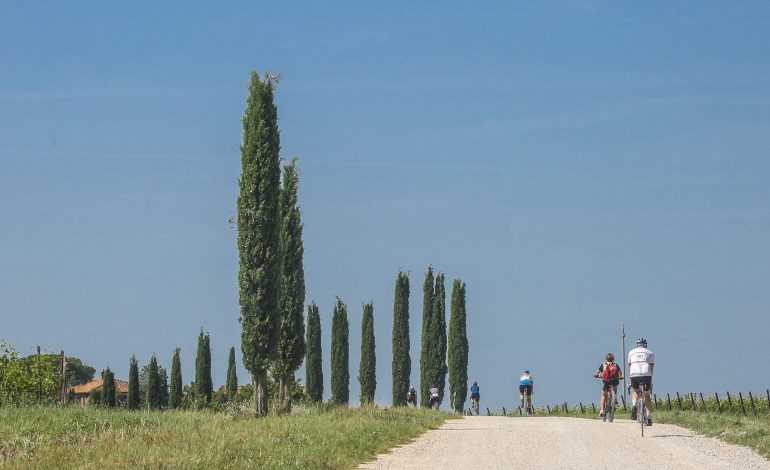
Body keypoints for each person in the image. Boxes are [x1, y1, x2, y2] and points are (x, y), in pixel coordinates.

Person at [628, 337, 654, 426]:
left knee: (635, 390)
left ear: (637, 345)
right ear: (645, 345)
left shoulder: (631, 352)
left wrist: (630, 377)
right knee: (646, 394)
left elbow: (630, 364)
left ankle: (634, 406)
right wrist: (651, 377)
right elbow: (651, 366)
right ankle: (649, 417)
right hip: (646, 374)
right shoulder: (650, 353)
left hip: (634, 373)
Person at [593, 353, 623, 417]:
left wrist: (596, 375)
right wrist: (620, 377)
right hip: (614, 380)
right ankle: (615, 397)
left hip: (606, 381)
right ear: (613, 359)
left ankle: (602, 410)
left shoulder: (603, 365)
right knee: (615, 385)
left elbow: (597, 372)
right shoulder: (615, 365)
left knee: (604, 395)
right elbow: (620, 373)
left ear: (606, 359)